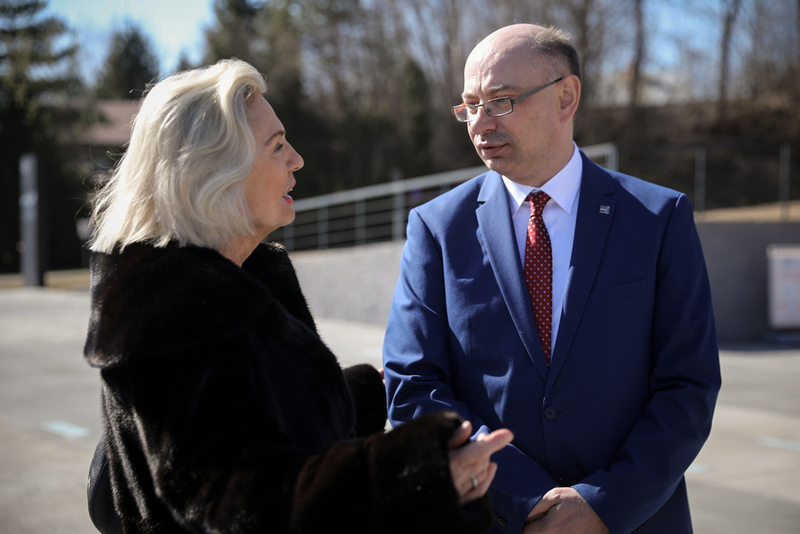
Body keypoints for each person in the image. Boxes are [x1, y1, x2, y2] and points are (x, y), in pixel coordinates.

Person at [83, 58, 513, 534]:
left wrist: (373, 389)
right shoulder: (174, 310)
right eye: (277, 146)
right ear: (216, 171)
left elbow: (260, 418)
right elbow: (240, 504)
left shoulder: (234, 283)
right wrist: (417, 470)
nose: (297, 160)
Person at [383, 24, 721, 534]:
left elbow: (688, 384)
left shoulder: (658, 217)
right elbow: (413, 388)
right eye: (469, 106)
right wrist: (528, 499)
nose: (479, 124)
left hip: (636, 520)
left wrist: (603, 505)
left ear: (566, 97)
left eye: (499, 101)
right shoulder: (436, 227)